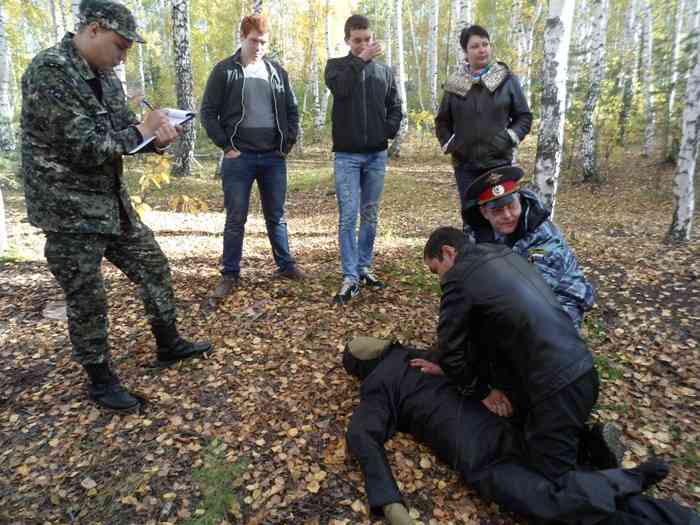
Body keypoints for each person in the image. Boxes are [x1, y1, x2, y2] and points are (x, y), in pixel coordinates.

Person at [20, 0, 212, 411]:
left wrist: (154, 140)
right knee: (86, 295)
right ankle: (100, 380)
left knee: (153, 265)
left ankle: (168, 342)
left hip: (111, 202)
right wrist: (140, 129)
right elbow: (84, 145)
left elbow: (122, 133)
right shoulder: (49, 70)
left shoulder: (106, 76)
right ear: (92, 29)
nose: (123, 56)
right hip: (67, 208)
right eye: (119, 45)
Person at [343, 337, 694, 525]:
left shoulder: (380, 384)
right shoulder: (421, 354)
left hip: (478, 449)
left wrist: (390, 503)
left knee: (552, 501)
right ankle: (624, 479)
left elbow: (363, 436)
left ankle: (623, 481)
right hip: (507, 416)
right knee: (559, 477)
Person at [415, 227, 598, 483]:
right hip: (582, 370)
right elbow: (485, 335)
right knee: (530, 430)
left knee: (549, 483)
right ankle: (594, 449)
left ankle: (619, 491)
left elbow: (452, 350)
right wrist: (445, 363)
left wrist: (482, 392)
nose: (439, 279)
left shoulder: (459, 277)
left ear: (448, 252)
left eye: (436, 270)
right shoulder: (502, 253)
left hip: (554, 390)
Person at [200, 14, 303, 300]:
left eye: (263, 42)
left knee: (277, 215)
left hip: (273, 157)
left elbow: (292, 111)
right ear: (242, 37)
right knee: (236, 218)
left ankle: (285, 265)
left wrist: (287, 144)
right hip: (239, 157)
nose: (258, 46)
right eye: (253, 40)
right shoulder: (224, 71)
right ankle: (230, 273)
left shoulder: (277, 72)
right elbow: (207, 112)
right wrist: (226, 146)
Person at [324, 14, 403, 305]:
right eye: (357, 40)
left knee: (370, 214)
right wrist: (361, 59)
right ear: (347, 41)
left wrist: (388, 129)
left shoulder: (384, 71)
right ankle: (349, 276)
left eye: (367, 39)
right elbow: (341, 89)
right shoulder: (336, 67)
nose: (363, 44)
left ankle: (364, 266)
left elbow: (395, 105)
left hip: (376, 154)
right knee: (348, 217)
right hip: (346, 155)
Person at [465, 165, 595, 329]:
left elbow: (533, 293)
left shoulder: (542, 233)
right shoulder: (477, 232)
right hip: (511, 299)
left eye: (512, 206)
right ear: (484, 213)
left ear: (519, 200)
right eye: (498, 211)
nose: (507, 215)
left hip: (561, 301)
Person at [435, 24, 532, 233]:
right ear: (465, 52)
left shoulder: (506, 79)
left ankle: (507, 260)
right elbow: (442, 121)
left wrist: (509, 137)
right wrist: (452, 144)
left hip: (498, 164)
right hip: (466, 166)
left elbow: (524, 116)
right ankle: (478, 261)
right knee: (473, 219)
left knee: (503, 216)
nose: (482, 50)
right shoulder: (456, 83)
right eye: (475, 46)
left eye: (485, 44)